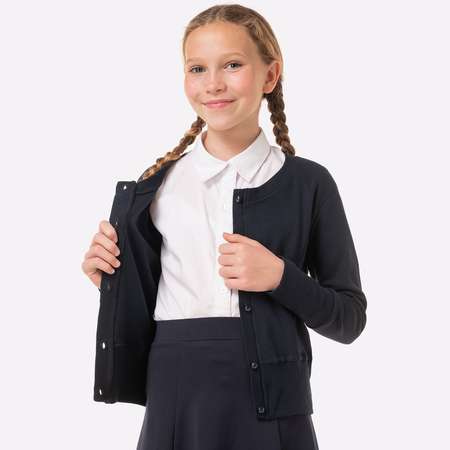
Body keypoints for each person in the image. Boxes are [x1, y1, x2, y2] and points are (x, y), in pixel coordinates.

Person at [81, 4, 367, 450]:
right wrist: (112, 284)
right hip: (176, 402)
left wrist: (280, 276)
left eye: (232, 65)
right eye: (197, 68)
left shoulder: (309, 184)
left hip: (276, 407)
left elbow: (349, 319)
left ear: (270, 75)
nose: (213, 83)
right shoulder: (154, 189)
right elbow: (141, 308)